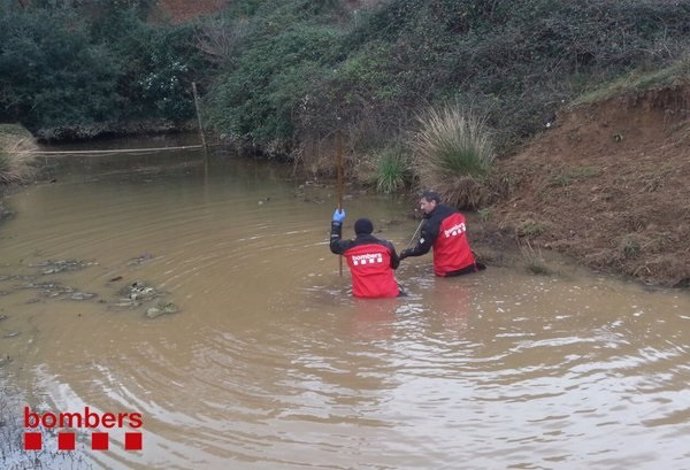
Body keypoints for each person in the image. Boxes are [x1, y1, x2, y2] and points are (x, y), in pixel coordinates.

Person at [399, 190, 485, 277]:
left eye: (423, 204)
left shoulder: (431, 225)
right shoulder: (456, 213)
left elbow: (422, 249)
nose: (421, 207)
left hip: (448, 271)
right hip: (468, 265)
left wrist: (406, 253)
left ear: (432, 202)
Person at [329, 209, 402, 298]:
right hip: (389, 293)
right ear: (371, 230)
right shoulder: (386, 245)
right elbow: (395, 265)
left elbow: (334, 244)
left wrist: (336, 223)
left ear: (356, 232)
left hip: (363, 296)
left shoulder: (348, 247)